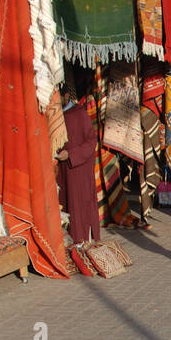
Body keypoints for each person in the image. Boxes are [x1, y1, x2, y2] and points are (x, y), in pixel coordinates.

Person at [58, 92, 101, 246]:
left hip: (78, 170)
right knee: (63, 206)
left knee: (79, 208)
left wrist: (71, 154)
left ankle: (82, 245)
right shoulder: (55, 115)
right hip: (61, 170)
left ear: (67, 95)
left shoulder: (79, 113)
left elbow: (91, 141)